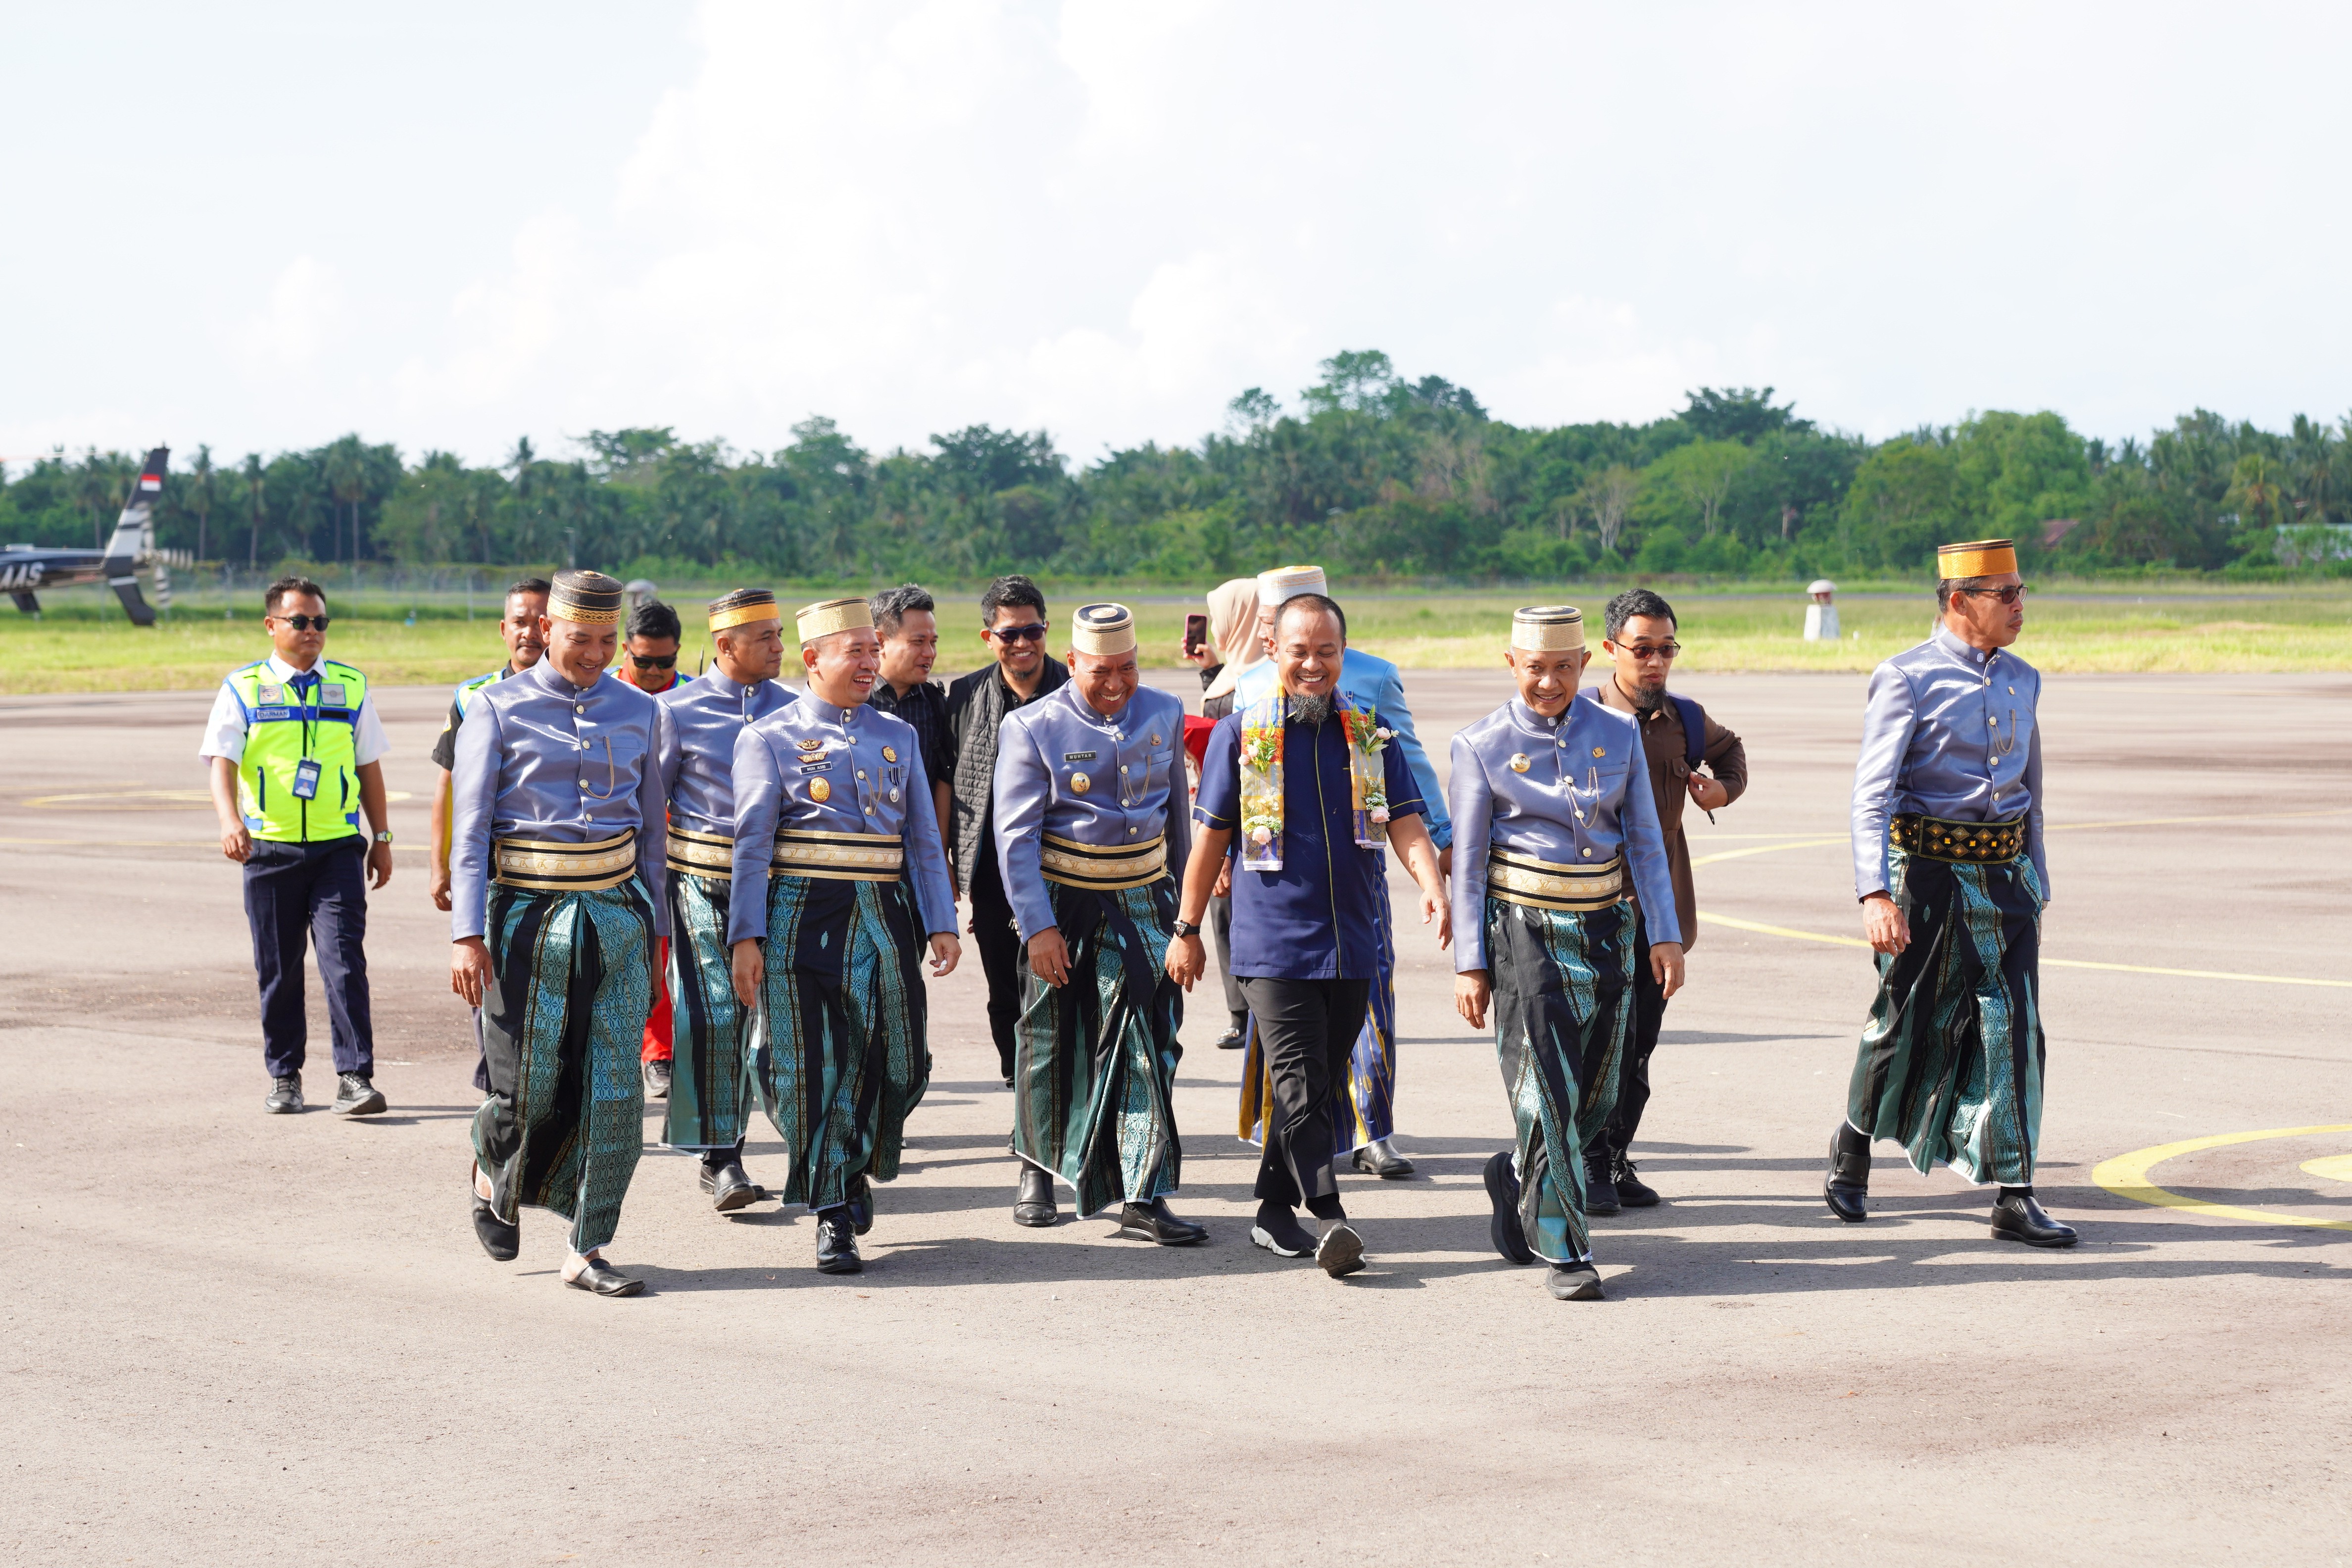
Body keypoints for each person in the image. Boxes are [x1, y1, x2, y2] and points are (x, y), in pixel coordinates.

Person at [1171, 592, 1449, 1279]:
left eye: (1328, 652)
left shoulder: (1370, 732)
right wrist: (1187, 927)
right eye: (1300, 651)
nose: (1314, 665)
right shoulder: (1243, 733)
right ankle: (1331, 1217)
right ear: (1273, 653)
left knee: (1321, 1086)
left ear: (1343, 655)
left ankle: (1271, 1210)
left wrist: (1433, 885)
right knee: (1296, 1078)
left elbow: (1407, 820)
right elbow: (1209, 839)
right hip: (1273, 944)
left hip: (1354, 939)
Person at [1828, 540, 2073, 1247]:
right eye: (2007, 595)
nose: (2021, 607)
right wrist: (1875, 892)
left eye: (2023, 592)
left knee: (2015, 1025)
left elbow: (2032, 791)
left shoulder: (2025, 679)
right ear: (1960, 600)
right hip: (1925, 876)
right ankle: (1852, 1147)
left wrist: (2038, 874)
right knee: (1907, 1020)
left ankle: (2015, 1191)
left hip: (2005, 878)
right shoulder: (1906, 678)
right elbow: (1870, 797)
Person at [1451, 606, 1685, 1301]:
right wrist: (1470, 963)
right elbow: (1467, 863)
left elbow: (1645, 838)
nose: (1548, 682)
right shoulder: (1481, 744)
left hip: (1609, 928)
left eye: (1562, 667)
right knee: (1546, 1088)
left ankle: (1521, 1183)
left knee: (1599, 1091)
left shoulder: (1617, 734)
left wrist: (1665, 935)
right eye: (1534, 668)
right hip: (1524, 929)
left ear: (1586, 664)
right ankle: (1568, 1252)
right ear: (1511, 664)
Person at [449, 569, 669, 1299]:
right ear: (547, 629)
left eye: (609, 641)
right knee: (527, 1092)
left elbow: (654, 834)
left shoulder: (639, 711)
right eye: (581, 639)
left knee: (613, 1092)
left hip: (616, 915)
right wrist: (465, 934)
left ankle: (588, 1244)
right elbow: (472, 829)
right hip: (525, 920)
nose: (596, 654)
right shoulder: (496, 709)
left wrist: (655, 927)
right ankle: (492, 1164)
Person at [728, 597, 960, 1275]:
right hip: (802, 912)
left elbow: (922, 836)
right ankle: (832, 1209)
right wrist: (746, 936)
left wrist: (940, 918)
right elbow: (751, 847)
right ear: (812, 660)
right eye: (853, 652)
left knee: (901, 1057)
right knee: (806, 1064)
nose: (868, 663)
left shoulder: (899, 735)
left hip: (885, 912)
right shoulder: (768, 738)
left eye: (871, 651)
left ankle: (852, 1155)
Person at [1227, 564, 1451, 1177]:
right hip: (1275, 890)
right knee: (1294, 1042)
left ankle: (1373, 1130)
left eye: (1325, 643)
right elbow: (1228, 790)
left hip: (1356, 876)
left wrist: (1442, 844)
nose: (1308, 656)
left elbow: (1407, 768)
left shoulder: (1374, 679)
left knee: (1369, 1006)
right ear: (1270, 636)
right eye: (1287, 636)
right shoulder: (1243, 690)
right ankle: (1299, 1174)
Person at [993, 603, 1203, 1242]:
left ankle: (1144, 1190)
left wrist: (1185, 921)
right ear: (1074, 663)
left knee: (1151, 1038)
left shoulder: (1162, 711)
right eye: (1101, 672)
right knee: (1050, 1037)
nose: (1116, 684)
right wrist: (1037, 927)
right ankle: (1036, 1166)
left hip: (1146, 899)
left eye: (1129, 669)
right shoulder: (1033, 725)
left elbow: (1178, 825)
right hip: (1065, 901)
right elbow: (1015, 838)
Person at [201, 575, 396, 1117]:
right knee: (279, 967)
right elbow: (223, 762)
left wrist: (380, 839)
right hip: (268, 849)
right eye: (300, 621)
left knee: (343, 962)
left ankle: (355, 1076)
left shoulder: (351, 686)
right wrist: (229, 820)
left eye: (320, 622)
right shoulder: (243, 687)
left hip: (337, 848)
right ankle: (284, 1076)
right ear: (272, 626)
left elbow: (369, 767)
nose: (312, 631)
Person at [1582, 587, 1747, 1211]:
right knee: (1599, 1039)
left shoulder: (1685, 719)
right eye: (1642, 650)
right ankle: (1589, 1160)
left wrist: (1720, 791)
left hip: (1661, 915)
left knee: (1640, 1041)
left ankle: (1616, 1155)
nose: (1655, 663)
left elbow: (1731, 752)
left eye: (1667, 650)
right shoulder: (1584, 713)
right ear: (1610, 651)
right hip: (1595, 907)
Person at [653, 588, 794, 1212]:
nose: (778, 647)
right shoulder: (676, 712)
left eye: (780, 634)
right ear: (725, 645)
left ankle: (816, 1148)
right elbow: (648, 813)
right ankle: (722, 1156)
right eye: (764, 637)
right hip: (700, 884)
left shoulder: (794, 710)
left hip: (777, 886)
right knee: (713, 1015)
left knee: (784, 1024)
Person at [427, 576, 549, 1093]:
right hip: (496, 871)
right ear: (504, 629)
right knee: (493, 990)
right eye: (519, 622)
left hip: (565, 873)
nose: (530, 633)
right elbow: (448, 789)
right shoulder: (473, 697)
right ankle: (501, 1098)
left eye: (540, 622)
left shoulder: (589, 694)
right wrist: (440, 866)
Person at [945, 575, 1068, 1085]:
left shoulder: (1074, 688)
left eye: (1032, 631)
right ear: (987, 638)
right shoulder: (965, 696)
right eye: (1008, 634)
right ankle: (1022, 1090)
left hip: (1066, 867)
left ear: (1046, 630)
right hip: (992, 872)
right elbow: (946, 782)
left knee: (1063, 988)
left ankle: (1059, 1098)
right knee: (1004, 991)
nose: (1022, 644)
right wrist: (948, 865)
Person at [1183, 577, 1266, 1051]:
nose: (1213, 628)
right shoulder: (1235, 673)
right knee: (1223, 917)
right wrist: (1209, 671)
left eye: (1220, 619)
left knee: (1239, 916)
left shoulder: (1263, 680)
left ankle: (1250, 1013)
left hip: (1246, 818)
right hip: (1219, 807)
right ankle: (1241, 1010)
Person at [618, 597, 685, 1095]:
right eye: (644, 661)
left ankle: (659, 1052)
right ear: (626, 651)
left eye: (666, 661)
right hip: (617, 851)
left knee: (667, 954)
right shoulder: (604, 696)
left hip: (682, 851)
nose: (656, 672)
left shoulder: (692, 699)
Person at [867, 584, 954, 838]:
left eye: (933, 642)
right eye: (918, 642)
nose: (930, 653)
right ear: (880, 641)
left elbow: (943, 783)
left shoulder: (937, 705)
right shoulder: (853, 701)